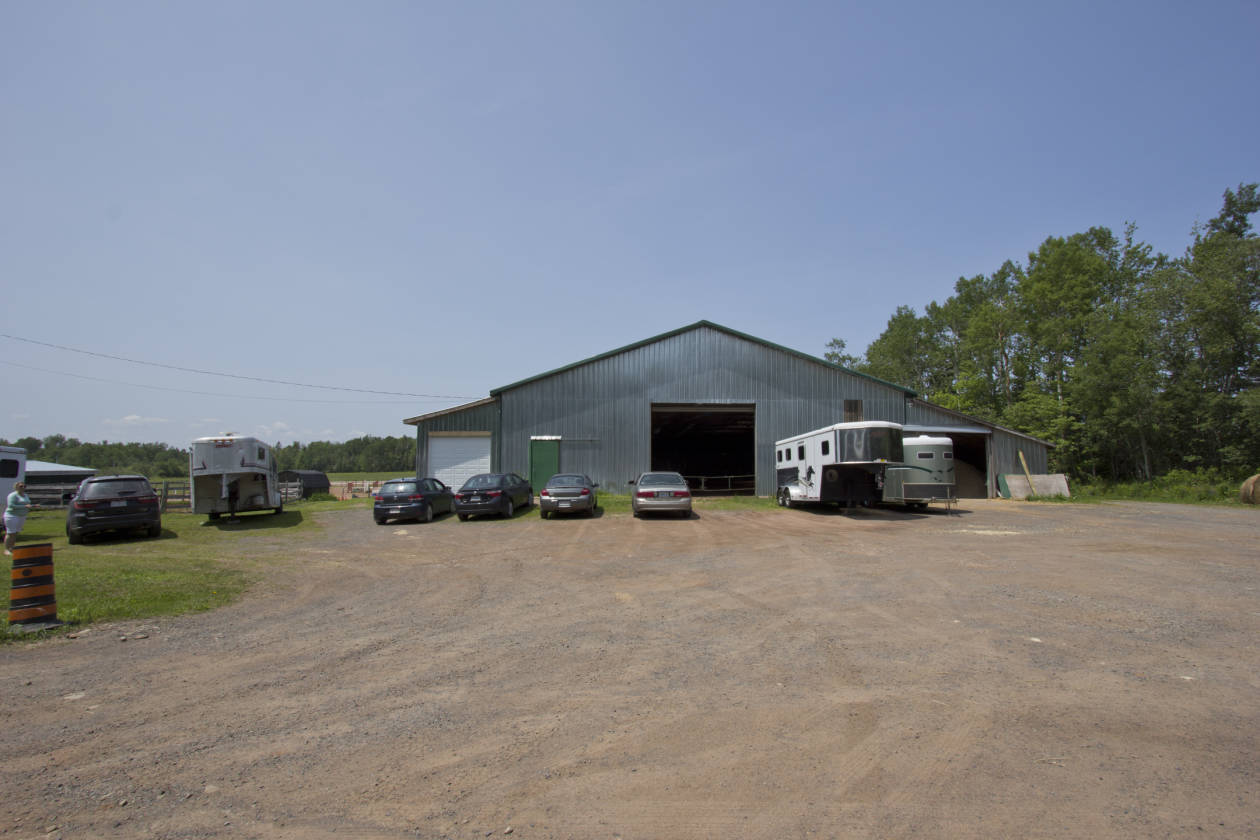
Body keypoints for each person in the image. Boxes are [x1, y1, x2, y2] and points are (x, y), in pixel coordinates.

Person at [4, 481, 32, 556]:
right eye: (21, 486)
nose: (23, 488)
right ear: (16, 487)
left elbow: (27, 503)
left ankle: (12, 548)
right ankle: (6, 550)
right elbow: (11, 506)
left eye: (24, 486)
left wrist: (32, 506)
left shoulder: (25, 495)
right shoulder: (12, 495)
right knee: (10, 533)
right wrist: (25, 506)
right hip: (11, 516)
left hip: (22, 516)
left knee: (15, 533)